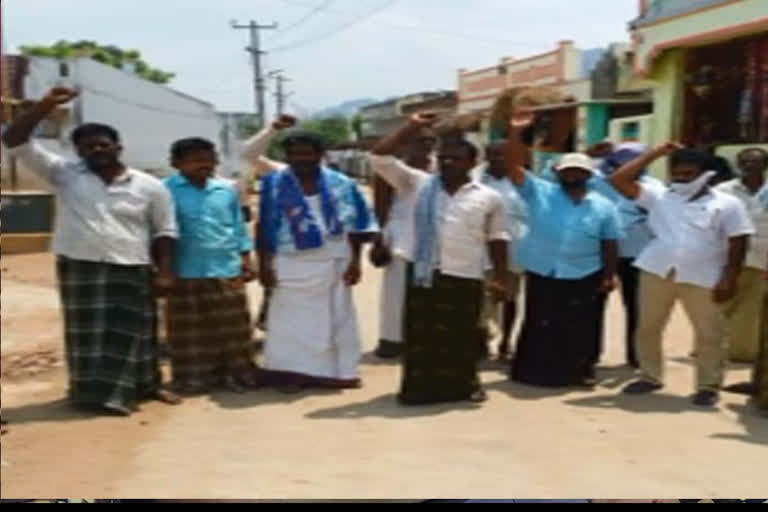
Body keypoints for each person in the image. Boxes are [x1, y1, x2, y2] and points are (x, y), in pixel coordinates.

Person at [1, 87, 181, 415]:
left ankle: (143, 387)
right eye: (88, 146)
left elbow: (165, 230)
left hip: (132, 263)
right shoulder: (63, 174)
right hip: (80, 264)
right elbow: (14, 138)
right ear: (78, 151)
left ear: (118, 146)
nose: (97, 149)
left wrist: (165, 271)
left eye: (103, 144)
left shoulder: (148, 185)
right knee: (86, 335)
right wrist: (46, 105)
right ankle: (90, 395)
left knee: (137, 331)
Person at [371, 113, 510, 405]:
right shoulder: (416, 183)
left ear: (472, 163)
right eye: (444, 158)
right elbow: (380, 157)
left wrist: (500, 275)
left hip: (466, 274)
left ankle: (465, 386)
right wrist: (411, 126)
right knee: (422, 339)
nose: (448, 163)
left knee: (462, 337)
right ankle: (420, 391)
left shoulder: (489, 197)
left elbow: (498, 237)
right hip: (424, 272)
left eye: (456, 159)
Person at [611, 144, 755, 407]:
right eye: (676, 173)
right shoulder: (659, 196)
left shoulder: (727, 203)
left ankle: (708, 384)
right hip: (657, 269)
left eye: (689, 173)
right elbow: (619, 179)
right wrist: (655, 154)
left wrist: (729, 278)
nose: (682, 178)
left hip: (704, 274)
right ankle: (650, 375)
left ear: (706, 173)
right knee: (648, 327)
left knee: (709, 332)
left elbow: (739, 241)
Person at [505, 110, 622, 389]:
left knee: (581, 326)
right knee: (539, 323)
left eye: (579, 171)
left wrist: (609, 274)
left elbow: (610, 241)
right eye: (567, 170)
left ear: (589, 174)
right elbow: (513, 167)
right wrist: (516, 133)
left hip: (585, 273)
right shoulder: (539, 191)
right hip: (543, 269)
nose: (573, 174)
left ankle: (580, 371)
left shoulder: (603, 206)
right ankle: (531, 373)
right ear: (558, 172)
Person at [256, 131, 377, 391]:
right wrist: (264, 264)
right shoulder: (273, 184)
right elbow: (264, 226)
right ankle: (292, 372)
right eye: (294, 154)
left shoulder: (342, 183)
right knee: (289, 322)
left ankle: (336, 372)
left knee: (337, 318)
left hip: (335, 258)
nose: (300, 159)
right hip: (289, 261)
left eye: (307, 153)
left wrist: (356, 262)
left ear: (320, 155)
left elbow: (357, 225)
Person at [163, 138, 258, 394]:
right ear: (177, 163)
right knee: (189, 329)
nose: (204, 164)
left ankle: (238, 375)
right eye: (195, 160)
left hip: (225, 267)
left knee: (234, 328)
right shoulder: (164, 190)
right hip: (184, 269)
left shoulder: (226, 190)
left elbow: (237, 227)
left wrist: (246, 259)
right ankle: (192, 379)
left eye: (209, 158)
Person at [590, 143, 666, 368]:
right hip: (600, 254)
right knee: (593, 308)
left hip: (639, 254)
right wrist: (589, 156)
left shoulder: (653, 186)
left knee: (638, 308)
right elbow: (551, 176)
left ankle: (637, 356)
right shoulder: (596, 182)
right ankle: (590, 354)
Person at [371, 131, 437, 359]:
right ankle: (392, 340)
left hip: (436, 241)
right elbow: (380, 206)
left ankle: (423, 340)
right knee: (396, 293)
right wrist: (379, 238)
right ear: (407, 143)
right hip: (400, 235)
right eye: (420, 139)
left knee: (429, 293)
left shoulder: (442, 166)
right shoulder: (393, 171)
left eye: (429, 140)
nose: (425, 144)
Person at [472, 141, 528, 361]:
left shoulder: (522, 182)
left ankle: (506, 342)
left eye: (503, 155)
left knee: (510, 298)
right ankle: (482, 341)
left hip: (514, 250)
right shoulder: (475, 180)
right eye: (493, 154)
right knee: (482, 300)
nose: (498, 159)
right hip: (481, 249)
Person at [715, 148, 768, 363]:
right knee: (718, 305)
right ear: (738, 164)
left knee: (751, 309)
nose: (750, 165)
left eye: (756, 162)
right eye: (745, 161)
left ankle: (741, 353)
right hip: (727, 257)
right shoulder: (723, 190)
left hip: (762, 258)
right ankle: (709, 347)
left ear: (765, 165)